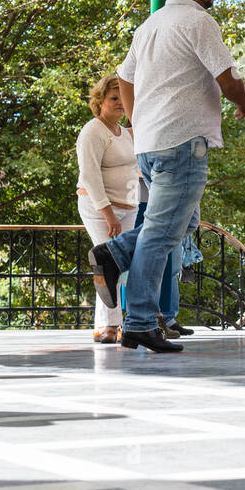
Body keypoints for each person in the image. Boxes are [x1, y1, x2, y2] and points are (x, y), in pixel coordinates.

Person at [89, 0, 245, 353]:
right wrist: (241, 100)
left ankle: (117, 252)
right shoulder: (198, 20)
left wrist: (139, 121)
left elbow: (124, 77)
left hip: (150, 144)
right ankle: (140, 322)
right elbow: (227, 78)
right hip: (183, 144)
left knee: (180, 224)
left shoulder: (149, 25)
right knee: (162, 234)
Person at [76, 73, 141, 344]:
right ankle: (111, 327)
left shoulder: (124, 133)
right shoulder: (93, 131)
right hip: (101, 208)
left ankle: (108, 323)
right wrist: (108, 213)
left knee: (124, 268)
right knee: (109, 264)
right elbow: (90, 175)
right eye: (114, 98)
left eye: (123, 99)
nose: (119, 103)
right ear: (100, 101)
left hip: (129, 207)